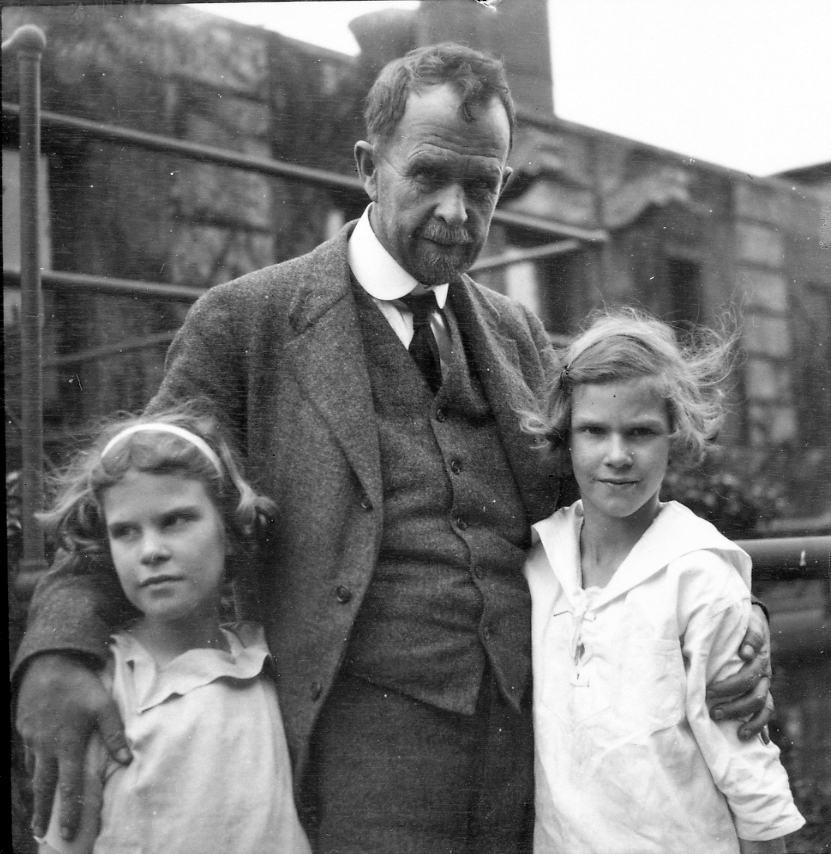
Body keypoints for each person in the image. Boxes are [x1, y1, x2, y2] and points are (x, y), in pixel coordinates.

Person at [14, 44, 773, 854]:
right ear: (369, 167)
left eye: (482, 186)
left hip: (534, 745)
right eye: (429, 176)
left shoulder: (514, 332)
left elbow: (605, 514)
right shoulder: (249, 320)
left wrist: (732, 621)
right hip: (362, 750)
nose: (456, 211)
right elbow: (134, 494)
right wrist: (54, 649)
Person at [520, 308, 804, 854]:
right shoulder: (539, 557)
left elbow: (747, 764)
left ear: (676, 436)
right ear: (567, 437)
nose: (618, 455)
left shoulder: (699, 578)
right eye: (594, 431)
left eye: (641, 432)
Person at [33, 407, 312, 854]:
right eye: (125, 531)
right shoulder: (106, 688)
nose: (151, 551)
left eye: (175, 520)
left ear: (228, 525)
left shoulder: (267, 662)